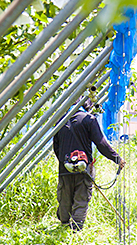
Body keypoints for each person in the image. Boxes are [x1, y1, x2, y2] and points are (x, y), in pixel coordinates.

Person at [52, 89, 126, 231]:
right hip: (84, 169)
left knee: (64, 199)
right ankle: (76, 231)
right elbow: (101, 144)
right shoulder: (88, 120)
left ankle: (63, 227)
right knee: (81, 199)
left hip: (64, 170)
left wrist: (64, 163)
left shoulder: (59, 121)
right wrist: (117, 159)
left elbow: (56, 147)